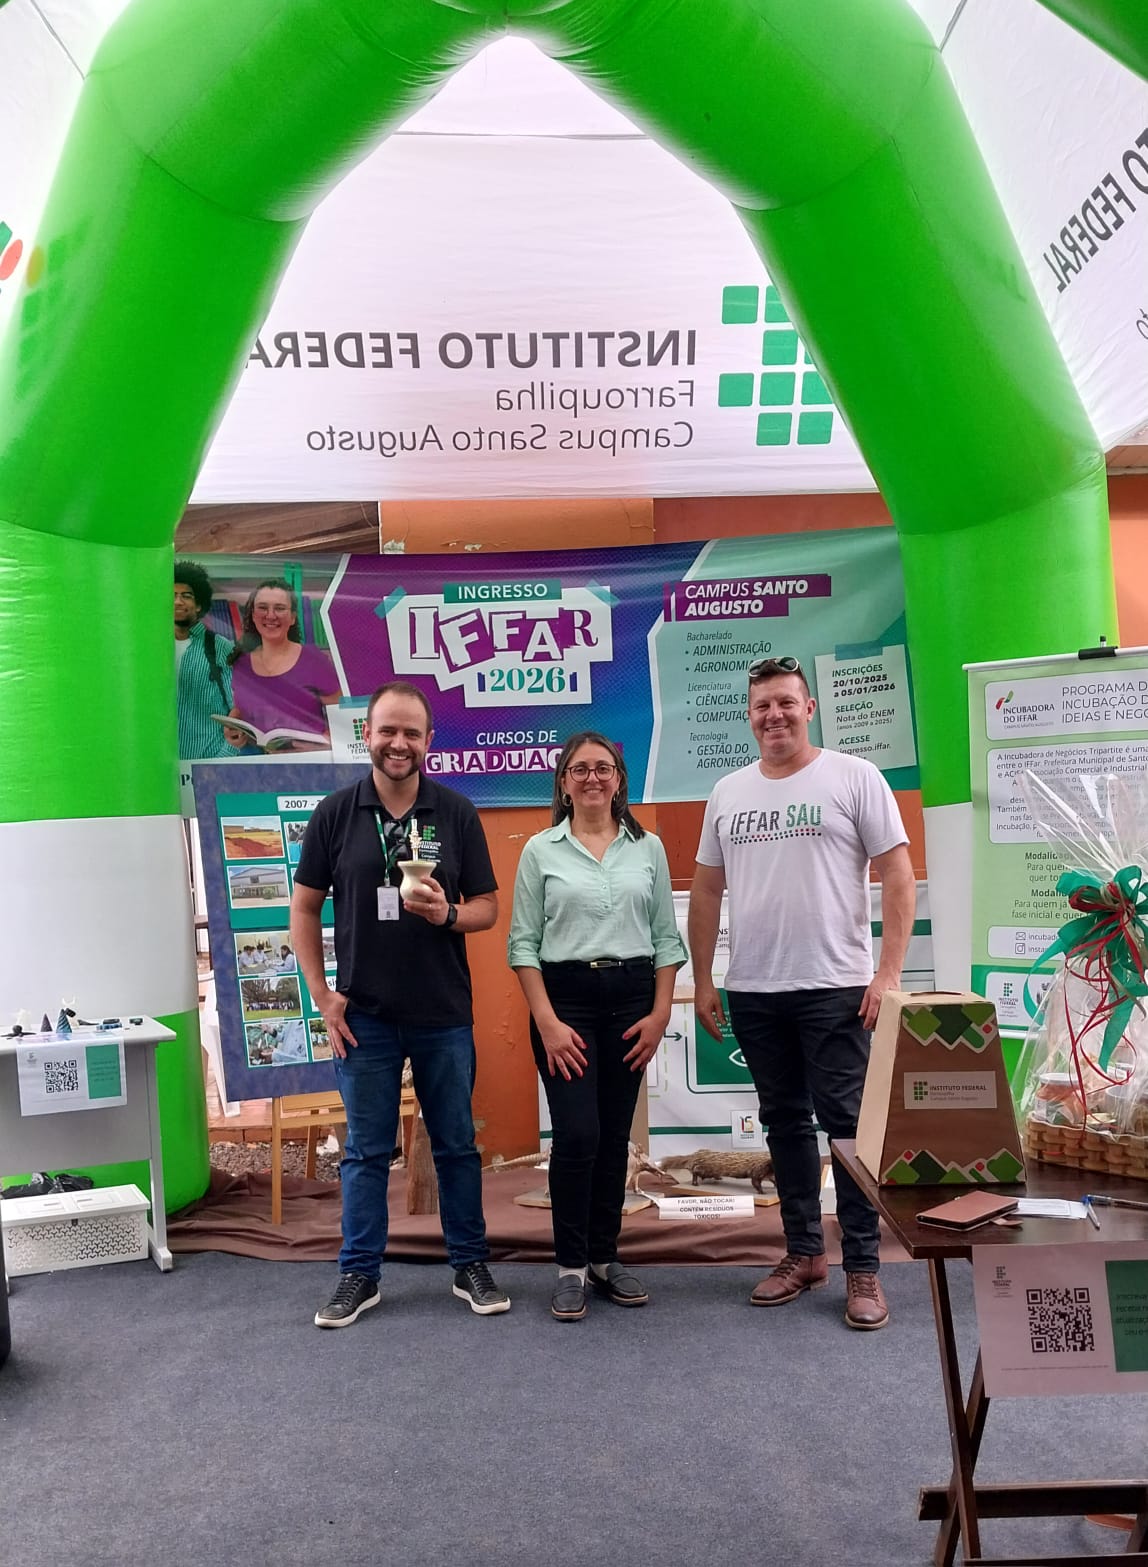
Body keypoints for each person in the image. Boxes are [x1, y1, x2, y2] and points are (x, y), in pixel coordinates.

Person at [688, 655, 915, 1331]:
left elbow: (898, 875)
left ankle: (863, 1266)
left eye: (786, 702)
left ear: (809, 708)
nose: (774, 715)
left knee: (846, 1128)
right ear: (749, 715)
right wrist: (704, 978)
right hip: (755, 987)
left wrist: (889, 973)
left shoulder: (854, 776)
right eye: (762, 705)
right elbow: (707, 888)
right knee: (784, 1123)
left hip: (836, 987)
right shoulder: (727, 792)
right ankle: (804, 1252)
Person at [291, 680, 510, 1327]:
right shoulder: (336, 813)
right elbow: (303, 908)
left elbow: (488, 907)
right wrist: (322, 995)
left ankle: (470, 1263)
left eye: (411, 732)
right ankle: (359, 1273)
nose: (398, 743)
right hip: (364, 1015)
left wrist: (449, 914)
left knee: (456, 1145)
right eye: (387, 729)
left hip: (443, 1012)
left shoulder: (456, 812)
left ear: (428, 741)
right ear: (367, 734)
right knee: (365, 1151)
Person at [509, 731, 685, 1321]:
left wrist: (660, 1013)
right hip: (565, 1004)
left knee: (613, 1137)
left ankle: (606, 1258)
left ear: (619, 780)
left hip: (633, 1000)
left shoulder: (648, 848)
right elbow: (523, 945)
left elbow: (666, 940)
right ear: (563, 782)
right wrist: (547, 1022)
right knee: (578, 1134)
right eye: (580, 769)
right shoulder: (540, 851)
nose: (592, 778)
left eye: (603, 768)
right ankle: (570, 1266)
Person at [227, 578, 341, 750]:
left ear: (293, 617)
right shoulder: (241, 664)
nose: (270, 615)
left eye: (279, 608)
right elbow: (240, 709)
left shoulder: (314, 660)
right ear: (253, 615)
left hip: (307, 761)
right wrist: (232, 729)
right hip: (255, 762)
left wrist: (324, 747)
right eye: (263, 607)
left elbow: (342, 719)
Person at [173, 560, 244, 759]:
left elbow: (238, 710)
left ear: (199, 605)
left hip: (208, 764)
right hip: (155, 767)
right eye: (172, 595)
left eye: (186, 596)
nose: (178, 602)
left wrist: (224, 755)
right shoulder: (146, 650)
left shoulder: (222, 649)